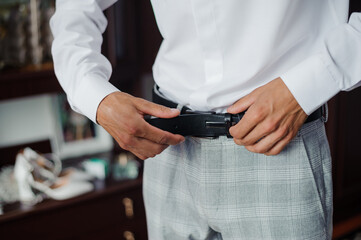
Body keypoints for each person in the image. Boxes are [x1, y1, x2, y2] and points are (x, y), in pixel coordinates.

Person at [50, 1, 361, 239]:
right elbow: (74, 9)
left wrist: (310, 83)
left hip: (275, 144)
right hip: (168, 153)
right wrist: (95, 97)